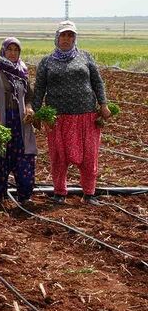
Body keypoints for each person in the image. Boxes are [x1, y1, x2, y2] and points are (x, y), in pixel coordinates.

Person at [33, 21, 109, 205]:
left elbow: (97, 82)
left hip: (87, 116)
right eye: (63, 35)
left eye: (70, 35)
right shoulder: (47, 62)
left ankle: (89, 194)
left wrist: (103, 104)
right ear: (57, 38)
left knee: (89, 156)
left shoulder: (85, 57)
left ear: (75, 38)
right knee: (59, 157)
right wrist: (35, 112)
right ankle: (59, 193)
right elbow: (39, 89)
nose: (66, 39)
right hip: (58, 118)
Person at [0, 38, 36, 209]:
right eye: (9, 49)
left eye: (16, 50)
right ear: (3, 51)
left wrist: (29, 108)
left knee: (24, 157)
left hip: (20, 122)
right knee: (0, 157)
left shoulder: (22, 71)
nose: (13, 53)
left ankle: (25, 196)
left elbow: (29, 96)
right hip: (2, 119)